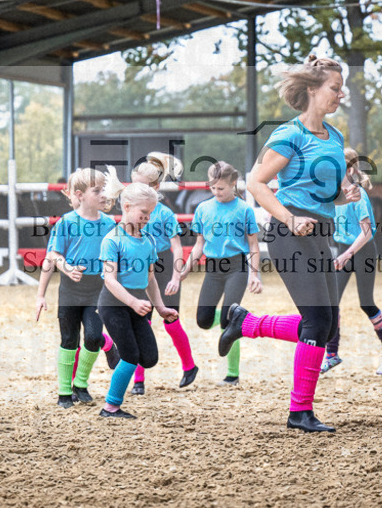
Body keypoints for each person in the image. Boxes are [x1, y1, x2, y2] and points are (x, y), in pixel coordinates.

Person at [219, 54, 359, 433]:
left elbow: (328, 195)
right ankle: (299, 413)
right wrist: (289, 218)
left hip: (321, 233)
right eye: (334, 87)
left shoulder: (335, 137)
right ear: (313, 91)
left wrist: (348, 193)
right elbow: (255, 183)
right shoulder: (289, 134)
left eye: (341, 87)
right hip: (288, 233)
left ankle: (245, 322)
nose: (340, 94)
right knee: (317, 322)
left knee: (326, 327)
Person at [33, 168, 121, 408]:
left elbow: (115, 255)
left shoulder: (109, 223)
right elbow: (52, 255)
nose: (104, 194)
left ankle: (80, 384)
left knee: (93, 337)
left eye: (105, 189)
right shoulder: (67, 222)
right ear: (80, 195)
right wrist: (42, 293)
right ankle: (64, 392)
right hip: (71, 288)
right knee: (69, 339)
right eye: (98, 190)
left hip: (98, 289)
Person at [97, 175, 178, 419]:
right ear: (127, 206)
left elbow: (151, 279)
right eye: (144, 212)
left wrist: (161, 308)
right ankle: (110, 407)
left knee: (150, 358)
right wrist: (132, 302)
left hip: (138, 305)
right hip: (114, 304)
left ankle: (115, 350)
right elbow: (109, 280)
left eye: (151, 213)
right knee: (131, 356)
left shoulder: (149, 240)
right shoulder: (112, 240)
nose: (148, 217)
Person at [174, 161, 262, 385]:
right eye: (212, 188)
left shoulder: (244, 210)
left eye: (220, 188)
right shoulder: (203, 209)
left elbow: (253, 245)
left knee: (227, 321)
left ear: (233, 183)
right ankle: (240, 322)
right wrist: (186, 269)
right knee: (203, 320)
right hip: (213, 268)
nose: (216, 192)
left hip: (237, 267)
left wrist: (254, 274)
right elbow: (199, 245)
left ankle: (232, 374)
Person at [322, 148, 382, 376]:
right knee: (332, 303)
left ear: (348, 170)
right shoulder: (334, 195)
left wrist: (347, 254)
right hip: (343, 251)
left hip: (363, 251)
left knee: (366, 303)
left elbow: (367, 233)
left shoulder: (358, 195)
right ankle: (332, 354)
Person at [129, 153, 197, 394]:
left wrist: (176, 276)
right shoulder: (130, 210)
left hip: (164, 264)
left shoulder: (165, 213)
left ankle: (189, 366)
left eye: (143, 186)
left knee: (170, 320)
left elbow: (177, 245)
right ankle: (138, 380)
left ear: (156, 187)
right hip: (140, 264)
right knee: (141, 320)